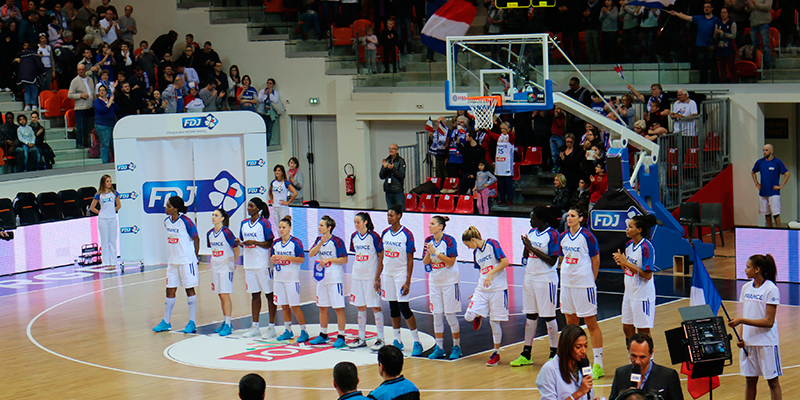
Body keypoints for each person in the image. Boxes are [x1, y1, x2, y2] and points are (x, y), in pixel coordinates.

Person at [559, 206, 604, 379]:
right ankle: (575, 360)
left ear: (581, 218)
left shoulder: (588, 236)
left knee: (591, 323)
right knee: (571, 324)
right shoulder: (563, 237)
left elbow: (596, 260)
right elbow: (563, 258)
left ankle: (598, 364)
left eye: (572, 216)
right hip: (567, 285)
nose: (569, 218)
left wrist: (590, 280)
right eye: (568, 215)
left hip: (584, 285)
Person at [729, 254, 783, 400]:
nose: (745, 270)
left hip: (766, 343)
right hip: (749, 343)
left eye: (748, 267)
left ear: (757, 269)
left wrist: (742, 321)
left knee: (773, 382)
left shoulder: (771, 289)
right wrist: (741, 337)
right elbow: (745, 312)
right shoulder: (746, 288)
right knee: (750, 381)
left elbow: (769, 322)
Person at [512, 206, 560, 367]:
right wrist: (526, 246)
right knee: (530, 315)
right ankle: (526, 353)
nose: (530, 220)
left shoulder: (553, 234)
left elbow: (553, 261)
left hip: (546, 278)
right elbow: (527, 256)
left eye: (532, 217)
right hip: (530, 277)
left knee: (548, 316)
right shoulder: (532, 233)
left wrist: (531, 247)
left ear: (541, 218)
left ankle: (554, 353)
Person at [377, 204, 422, 355]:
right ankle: (397, 340)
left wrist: (408, 280)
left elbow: (410, 259)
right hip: (388, 274)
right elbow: (381, 257)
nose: (388, 217)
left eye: (391, 215)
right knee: (393, 307)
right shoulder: (385, 233)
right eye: (388, 215)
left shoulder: (407, 234)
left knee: (404, 307)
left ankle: (417, 341)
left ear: (399, 216)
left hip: (400, 274)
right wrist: (377, 276)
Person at [462, 226, 510, 366]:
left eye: (468, 245)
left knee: (494, 322)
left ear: (472, 240)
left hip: (498, 289)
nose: (469, 248)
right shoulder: (476, 253)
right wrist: (477, 289)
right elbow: (482, 271)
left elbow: (505, 262)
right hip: (482, 289)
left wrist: (490, 274)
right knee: (468, 316)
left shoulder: (492, 244)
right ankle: (478, 315)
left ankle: (496, 353)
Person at [153, 196, 200, 334]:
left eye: (168, 206)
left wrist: (195, 257)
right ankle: (166, 322)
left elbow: (196, 238)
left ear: (176, 208)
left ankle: (192, 322)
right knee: (169, 290)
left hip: (186, 261)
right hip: (172, 261)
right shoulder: (166, 222)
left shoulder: (186, 221)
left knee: (189, 289)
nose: (165, 208)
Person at [236, 198, 278, 340]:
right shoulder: (243, 224)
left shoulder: (264, 223)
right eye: (248, 205)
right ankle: (255, 326)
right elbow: (244, 243)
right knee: (254, 295)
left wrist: (255, 242)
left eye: (251, 206)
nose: (248, 208)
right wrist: (240, 243)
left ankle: (272, 327)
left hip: (263, 263)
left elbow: (269, 242)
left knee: (269, 295)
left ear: (258, 209)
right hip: (249, 264)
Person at [612, 214, 657, 342]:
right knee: (627, 328)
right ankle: (632, 358)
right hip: (629, 294)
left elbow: (648, 275)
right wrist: (621, 263)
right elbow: (627, 270)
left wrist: (626, 263)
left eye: (630, 227)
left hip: (642, 295)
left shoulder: (646, 247)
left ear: (639, 230)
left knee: (643, 332)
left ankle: (649, 360)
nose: (627, 229)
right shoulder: (628, 245)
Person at [422, 216, 462, 359]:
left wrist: (436, 253)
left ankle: (456, 346)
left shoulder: (449, 240)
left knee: (450, 315)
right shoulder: (428, 241)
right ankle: (439, 348)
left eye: (432, 224)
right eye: (429, 224)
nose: (429, 226)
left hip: (449, 282)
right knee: (437, 315)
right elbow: (426, 262)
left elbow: (451, 262)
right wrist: (428, 252)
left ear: (440, 227)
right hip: (434, 282)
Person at [308, 215, 349, 348]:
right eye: (319, 225)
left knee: (338, 308)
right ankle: (323, 334)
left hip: (335, 277)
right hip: (322, 278)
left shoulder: (337, 241)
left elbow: (344, 259)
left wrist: (329, 260)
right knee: (322, 307)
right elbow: (311, 254)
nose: (319, 227)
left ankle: (341, 336)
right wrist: (320, 243)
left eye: (321, 225)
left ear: (329, 227)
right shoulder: (318, 240)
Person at [608, 333, 684, 400]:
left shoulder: (668, 376)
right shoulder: (620, 374)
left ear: (651, 354)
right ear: (628, 351)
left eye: (642, 357)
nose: (637, 361)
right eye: (633, 356)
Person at [348, 212, 385, 350]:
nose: (356, 224)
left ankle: (380, 338)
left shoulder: (374, 236)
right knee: (360, 306)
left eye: (358, 222)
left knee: (375, 306)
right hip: (357, 275)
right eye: (355, 222)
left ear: (365, 222)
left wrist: (377, 277)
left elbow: (381, 257)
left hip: (371, 276)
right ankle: (361, 337)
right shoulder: (353, 236)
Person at [270, 215, 310, 342]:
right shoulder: (276, 243)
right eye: (280, 227)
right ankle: (288, 330)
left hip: (291, 279)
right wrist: (272, 259)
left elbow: (302, 259)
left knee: (295, 306)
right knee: (284, 305)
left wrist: (287, 258)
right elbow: (272, 258)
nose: (281, 229)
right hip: (278, 278)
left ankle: (304, 331)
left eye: (284, 227)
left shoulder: (296, 242)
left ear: (290, 228)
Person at [535, 324, 595, 400]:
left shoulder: (586, 365)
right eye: (578, 347)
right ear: (567, 347)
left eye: (586, 346)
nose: (583, 351)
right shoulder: (549, 370)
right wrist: (579, 393)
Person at [667, 4, 721, 83]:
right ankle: (703, 83)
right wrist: (676, 13)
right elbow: (687, 17)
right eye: (705, 7)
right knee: (702, 67)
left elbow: (718, 34)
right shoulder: (700, 18)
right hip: (700, 45)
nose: (706, 9)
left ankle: (714, 83)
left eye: (708, 7)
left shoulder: (716, 20)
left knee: (712, 66)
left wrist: (715, 44)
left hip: (710, 46)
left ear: (712, 8)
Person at [206, 208, 239, 337]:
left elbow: (236, 250)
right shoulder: (209, 233)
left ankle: (229, 323)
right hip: (215, 267)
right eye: (212, 215)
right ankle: (225, 321)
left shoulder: (227, 233)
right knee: (220, 295)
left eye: (216, 215)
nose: (213, 217)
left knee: (225, 295)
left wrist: (233, 263)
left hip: (226, 267)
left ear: (222, 218)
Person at [752, 144, 790, 228]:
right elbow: (753, 172)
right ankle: (769, 228)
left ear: (771, 151)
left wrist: (781, 186)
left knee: (775, 212)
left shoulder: (777, 162)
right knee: (766, 212)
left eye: (766, 150)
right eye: (763, 150)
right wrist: (757, 183)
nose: (764, 152)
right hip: (763, 191)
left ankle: (778, 229)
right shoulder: (760, 162)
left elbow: (787, 174)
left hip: (773, 191)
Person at [89, 174, 121, 269]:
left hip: (112, 219)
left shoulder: (114, 193)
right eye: (107, 181)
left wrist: (112, 211)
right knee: (104, 241)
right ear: (103, 183)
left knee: (113, 241)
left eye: (110, 181)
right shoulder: (99, 194)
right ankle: (106, 262)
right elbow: (92, 207)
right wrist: (100, 212)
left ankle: (114, 262)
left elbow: (119, 205)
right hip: (103, 219)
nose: (109, 183)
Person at [16, 41, 45, 111]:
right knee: (34, 89)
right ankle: (34, 105)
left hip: (22, 76)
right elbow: (39, 65)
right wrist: (44, 72)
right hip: (31, 75)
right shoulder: (34, 55)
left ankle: (27, 105)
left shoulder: (23, 54)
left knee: (27, 90)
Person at [93, 85, 118, 163]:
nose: (102, 92)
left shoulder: (109, 100)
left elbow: (117, 109)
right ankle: (105, 162)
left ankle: (114, 160)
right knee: (105, 144)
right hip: (102, 125)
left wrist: (112, 102)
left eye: (103, 90)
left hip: (111, 124)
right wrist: (109, 104)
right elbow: (101, 110)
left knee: (112, 144)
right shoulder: (97, 101)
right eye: (100, 90)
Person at [269, 164, 298, 228]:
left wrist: (288, 202)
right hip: (275, 207)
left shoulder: (286, 182)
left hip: (283, 208)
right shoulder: (273, 182)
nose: (277, 172)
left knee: (284, 226)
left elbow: (295, 193)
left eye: (279, 170)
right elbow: (270, 191)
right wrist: (272, 199)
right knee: (277, 226)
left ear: (282, 172)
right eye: (276, 170)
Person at [379, 144, 406, 209]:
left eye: (393, 149)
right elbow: (381, 176)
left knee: (400, 210)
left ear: (397, 151)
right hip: (388, 191)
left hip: (397, 191)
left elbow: (402, 176)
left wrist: (393, 169)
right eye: (390, 148)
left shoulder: (400, 161)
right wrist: (384, 168)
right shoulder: (386, 160)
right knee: (390, 210)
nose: (391, 150)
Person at [715, 7, 738, 84]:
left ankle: (735, 83)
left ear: (728, 14)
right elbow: (714, 37)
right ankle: (723, 83)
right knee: (722, 69)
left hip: (729, 49)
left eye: (725, 12)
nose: (723, 14)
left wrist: (724, 33)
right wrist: (717, 33)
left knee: (732, 68)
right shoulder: (718, 24)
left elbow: (733, 36)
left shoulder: (732, 23)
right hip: (720, 49)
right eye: (721, 12)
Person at [257, 78, 281, 146]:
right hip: (262, 112)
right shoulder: (262, 91)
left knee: (269, 130)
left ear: (273, 85)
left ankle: (268, 143)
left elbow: (274, 100)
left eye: (270, 83)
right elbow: (260, 100)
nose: (268, 85)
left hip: (270, 113)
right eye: (268, 83)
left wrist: (270, 94)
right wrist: (265, 95)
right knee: (262, 128)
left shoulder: (275, 93)